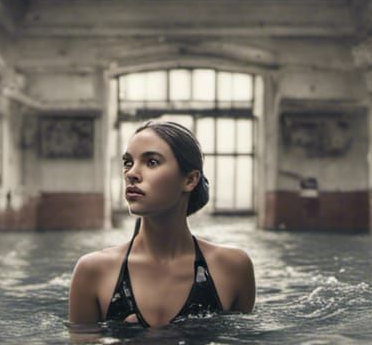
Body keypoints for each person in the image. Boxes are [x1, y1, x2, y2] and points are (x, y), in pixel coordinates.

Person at [68, 120, 256, 326]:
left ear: (190, 180)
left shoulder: (233, 267)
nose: (131, 173)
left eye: (152, 162)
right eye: (128, 163)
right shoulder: (93, 271)